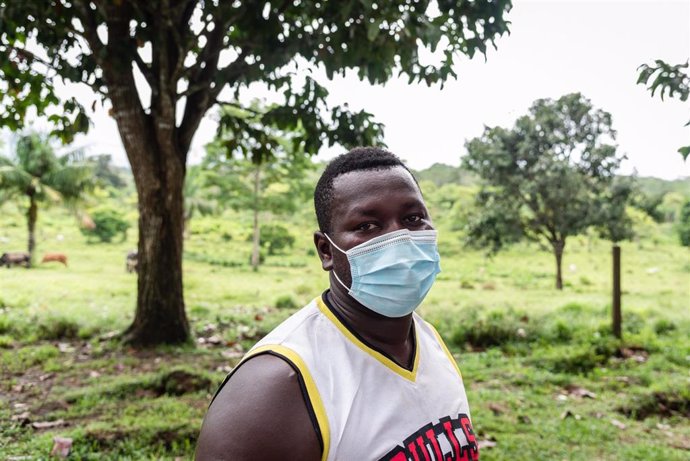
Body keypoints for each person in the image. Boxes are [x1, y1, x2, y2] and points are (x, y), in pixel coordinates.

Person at [195, 147, 477, 461]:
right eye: (367, 226)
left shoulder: (430, 341)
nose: (402, 238)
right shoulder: (277, 386)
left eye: (413, 218)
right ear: (326, 250)